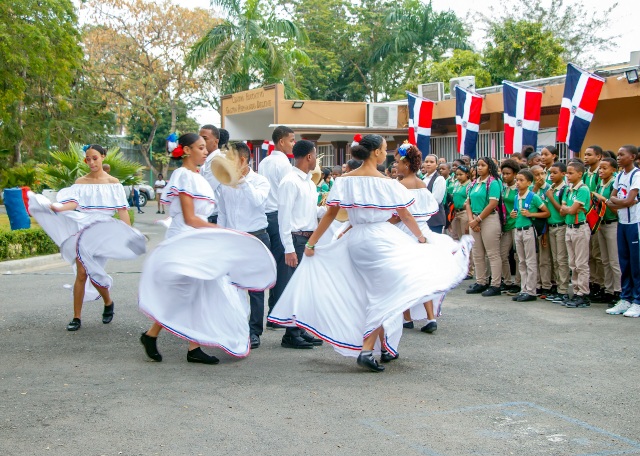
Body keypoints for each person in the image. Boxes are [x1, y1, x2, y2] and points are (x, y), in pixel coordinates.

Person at [268, 134, 472, 372]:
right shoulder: (388, 183)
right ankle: (367, 349)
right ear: (376, 152)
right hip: (381, 240)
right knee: (383, 294)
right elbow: (405, 215)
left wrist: (313, 243)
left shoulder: (345, 180)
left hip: (357, 242)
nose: (387, 153)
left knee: (372, 294)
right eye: (385, 149)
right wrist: (422, 238)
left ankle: (382, 345)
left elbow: (332, 214)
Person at [138, 133, 276, 364]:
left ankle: (187, 345)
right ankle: (160, 337)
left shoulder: (198, 176)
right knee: (188, 291)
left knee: (200, 291)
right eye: (200, 148)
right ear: (186, 150)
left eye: (205, 147)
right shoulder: (183, 175)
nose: (205, 151)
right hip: (186, 238)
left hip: (198, 238)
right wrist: (221, 230)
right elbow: (191, 218)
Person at [29, 144, 146, 331]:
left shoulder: (113, 183)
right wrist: (57, 207)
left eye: (95, 158)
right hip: (83, 230)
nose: (91, 162)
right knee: (82, 272)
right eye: (88, 159)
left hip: (103, 234)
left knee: (94, 274)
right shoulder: (80, 182)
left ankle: (108, 302)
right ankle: (76, 317)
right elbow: (73, 203)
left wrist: (128, 235)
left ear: (103, 157)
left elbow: (122, 211)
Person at [216, 142, 271, 349]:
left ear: (242, 160)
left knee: (255, 287)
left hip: (255, 236)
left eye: (230, 158)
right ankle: (234, 327)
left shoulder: (260, 181)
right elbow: (222, 212)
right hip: (232, 238)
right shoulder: (223, 182)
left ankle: (254, 331)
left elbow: (258, 201)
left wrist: (242, 181)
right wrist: (220, 236)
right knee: (231, 285)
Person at [275, 140, 325, 349]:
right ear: (309, 157)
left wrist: (330, 208)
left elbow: (311, 213)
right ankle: (290, 333)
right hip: (295, 239)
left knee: (303, 287)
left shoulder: (309, 183)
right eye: (315, 154)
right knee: (292, 287)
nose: (316, 159)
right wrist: (288, 248)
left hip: (308, 238)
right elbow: (284, 218)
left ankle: (299, 328)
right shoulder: (290, 181)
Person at [393, 143, 442, 335]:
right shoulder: (423, 185)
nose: (396, 166)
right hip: (423, 231)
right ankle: (430, 317)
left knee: (403, 277)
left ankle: (407, 318)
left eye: (397, 162)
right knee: (422, 277)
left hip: (405, 232)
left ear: (406, 164)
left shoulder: (399, 186)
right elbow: (428, 211)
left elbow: (400, 215)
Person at [258, 125, 295, 325]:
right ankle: (276, 314)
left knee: (272, 265)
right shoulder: (285, 165)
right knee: (282, 267)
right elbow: (286, 195)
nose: (293, 144)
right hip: (278, 216)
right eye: (291, 140)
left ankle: (273, 312)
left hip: (265, 216)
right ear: (281, 142)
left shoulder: (264, 162)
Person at [605, 145, 640, 317]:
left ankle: (637, 301)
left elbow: (628, 201)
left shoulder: (637, 175)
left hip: (635, 223)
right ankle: (625, 298)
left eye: (621, 155)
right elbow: (611, 199)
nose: (618, 158)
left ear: (632, 156)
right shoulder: (619, 175)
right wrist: (621, 201)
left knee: (636, 263)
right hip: (623, 222)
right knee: (624, 262)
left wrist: (621, 201)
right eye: (617, 155)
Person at [465, 157, 503, 297]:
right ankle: (481, 281)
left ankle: (495, 284)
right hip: (474, 219)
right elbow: (467, 203)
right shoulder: (474, 183)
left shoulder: (493, 182)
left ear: (490, 167)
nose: (479, 168)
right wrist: (471, 220)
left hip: (489, 219)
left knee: (492, 253)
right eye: (478, 165)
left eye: (483, 165)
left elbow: (492, 203)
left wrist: (478, 219)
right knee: (477, 253)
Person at [510, 169, 550, 302]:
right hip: (518, 229)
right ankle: (524, 289)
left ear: (529, 183)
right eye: (517, 180)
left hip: (528, 230)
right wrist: (513, 215)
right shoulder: (517, 196)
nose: (518, 183)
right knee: (521, 261)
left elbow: (546, 212)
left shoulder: (533, 196)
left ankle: (531, 291)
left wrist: (531, 214)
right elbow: (516, 212)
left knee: (530, 261)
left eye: (521, 180)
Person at [560, 161, 592, 308]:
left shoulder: (583, 189)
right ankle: (576, 290)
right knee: (572, 263)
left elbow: (571, 210)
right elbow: (563, 209)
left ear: (580, 173)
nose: (568, 175)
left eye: (571, 173)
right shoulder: (568, 189)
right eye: (567, 172)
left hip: (580, 228)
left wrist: (569, 208)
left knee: (581, 263)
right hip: (570, 228)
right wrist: (569, 208)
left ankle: (583, 293)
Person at [593, 157, 621, 304]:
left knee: (614, 260)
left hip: (612, 224)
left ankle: (618, 290)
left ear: (613, 170)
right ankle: (608, 289)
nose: (601, 171)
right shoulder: (600, 183)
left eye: (605, 168)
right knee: (604, 259)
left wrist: (603, 200)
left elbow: (616, 209)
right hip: (601, 224)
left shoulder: (613, 184)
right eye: (600, 168)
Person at [544, 163, 571, 305]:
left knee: (561, 259)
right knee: (555, 259)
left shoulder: (564, 189)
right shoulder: (552, 188)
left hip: (561, 226)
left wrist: (551, 197)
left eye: (555, 172)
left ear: (563, 174)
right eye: (550, 173)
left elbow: (562, 209)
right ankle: (558, 287)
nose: (551, 175)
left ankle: (563, 290)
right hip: (551, 226)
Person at [583, 145, 605, 301]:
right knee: (589, 253)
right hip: (586, 217)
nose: (585, 157)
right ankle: (592, 282)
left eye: (589, 154)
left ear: (599, 157)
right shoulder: (585, 174)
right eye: (585, 154)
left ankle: (602, 284)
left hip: (597, 217)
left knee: (598, 254)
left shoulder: (601, 174)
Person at [531, 165, 553, 297]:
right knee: (535, 257)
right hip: (533, 227)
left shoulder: (549, 188)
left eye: (542, 173)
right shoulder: (530, 189)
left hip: (546, 226)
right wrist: (535, 188)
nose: (540, 177)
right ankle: (537, 283)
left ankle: (546, 284)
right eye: (537, 175)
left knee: (545, 258)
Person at [499, 159, 520, 294]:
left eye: (508, 174)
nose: (505, 176)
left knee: (518, 256)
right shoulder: (503, 187)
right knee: (502, 254)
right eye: (504, 173)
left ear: (515, 174)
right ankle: (507, 281)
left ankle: (518, 282)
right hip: (505, 225)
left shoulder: (519, 188)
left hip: (516, 224)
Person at [450, 164, 474, 279]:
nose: (458, 177)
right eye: (457, 174)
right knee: (459, 241)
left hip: (465, 213)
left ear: (467, 174)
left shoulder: (469, 185)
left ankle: (470, 270)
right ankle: (462, 268)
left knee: (466, 241)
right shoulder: (456, 185)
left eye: (461, 174)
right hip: (456, 213)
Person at [199, 124, 222, 223]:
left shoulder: (218, 161)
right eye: (199, 138)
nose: (201, 142)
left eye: (205, 139)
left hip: (215, 217)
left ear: (216, 141)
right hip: (208, 216)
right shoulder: (207, 161)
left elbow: (205, 189)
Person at [422, 154, 447, 234]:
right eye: (426, 162)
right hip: (424, 217)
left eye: (431, 162)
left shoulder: (439, 179)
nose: (428, 164)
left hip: (435, 218)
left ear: (436, 165)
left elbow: (436, 199)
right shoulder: (423, 178)